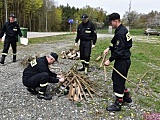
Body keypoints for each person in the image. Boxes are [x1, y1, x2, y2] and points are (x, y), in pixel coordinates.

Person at [103, 13, 132, 111]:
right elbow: (118, 44)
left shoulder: (120, 32)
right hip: (124, 59)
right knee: (119, 79)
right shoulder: (122, 30)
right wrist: (109, 48)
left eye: (111, 22)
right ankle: (126, 95)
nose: (111, 25)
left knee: (117, 80)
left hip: (122, 60)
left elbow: (119, 51)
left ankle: (118, 103)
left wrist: (109, 60)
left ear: (115, 21)